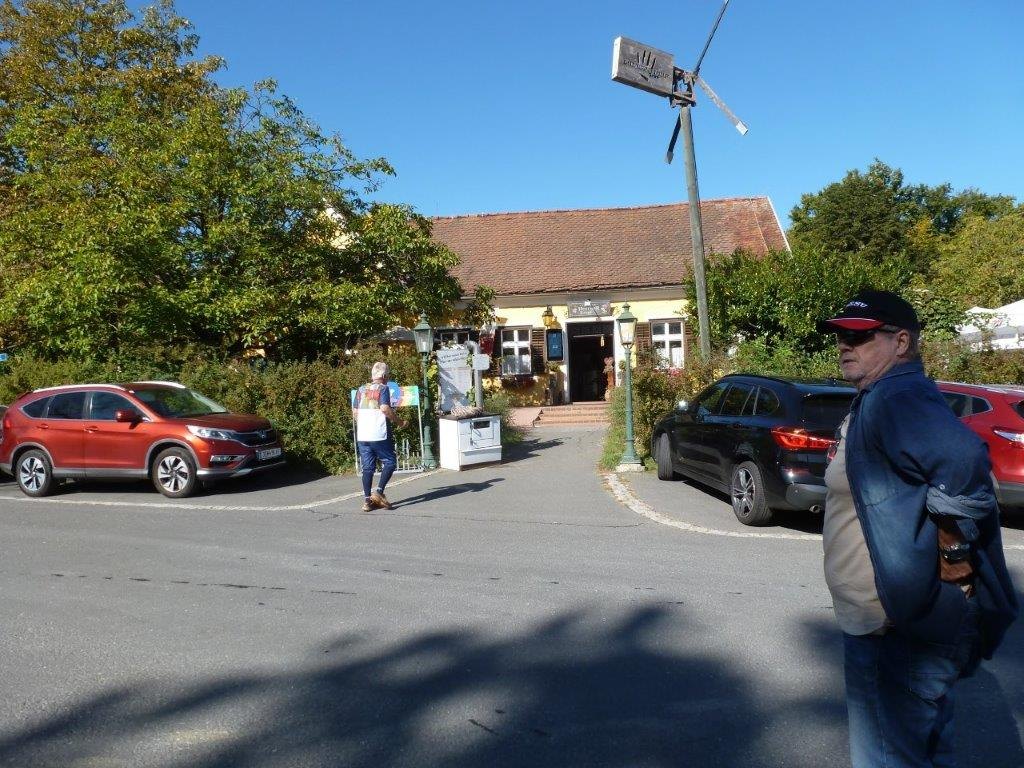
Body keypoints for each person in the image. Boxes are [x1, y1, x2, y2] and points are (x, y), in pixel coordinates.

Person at [818, 289, 1017, 767]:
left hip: (892, 625)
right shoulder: (876, 396)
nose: (845, 345)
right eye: (841, 335)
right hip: (890, 621)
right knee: (924, 751)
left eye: (860, 336)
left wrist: (954, 554)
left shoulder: (896, 396)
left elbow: (964, 460)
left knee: (889, 758)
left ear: (901, 341)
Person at [354, 361, 406, 512]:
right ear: (383, 375)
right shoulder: (383, 388)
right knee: (390, 462)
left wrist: (364, 424)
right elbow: (384, 408)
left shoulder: (361, 389)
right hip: (379, 433)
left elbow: (355, 412)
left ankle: (367, 502)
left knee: (367, 468)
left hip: (363, 434)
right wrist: (400, 422)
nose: (388, 377)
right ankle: (379, 492)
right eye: (387, 374)